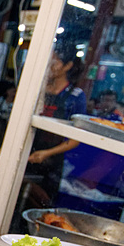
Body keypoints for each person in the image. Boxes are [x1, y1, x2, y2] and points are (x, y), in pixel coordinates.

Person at [26, 45, 86, 207]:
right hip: (26, 156)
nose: (50, 64)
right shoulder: (37, 89)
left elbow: (75, 140)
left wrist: (46, 153)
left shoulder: (75, 96)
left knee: (38, 205)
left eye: (55, 61)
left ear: (68, 66)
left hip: (50, 165)